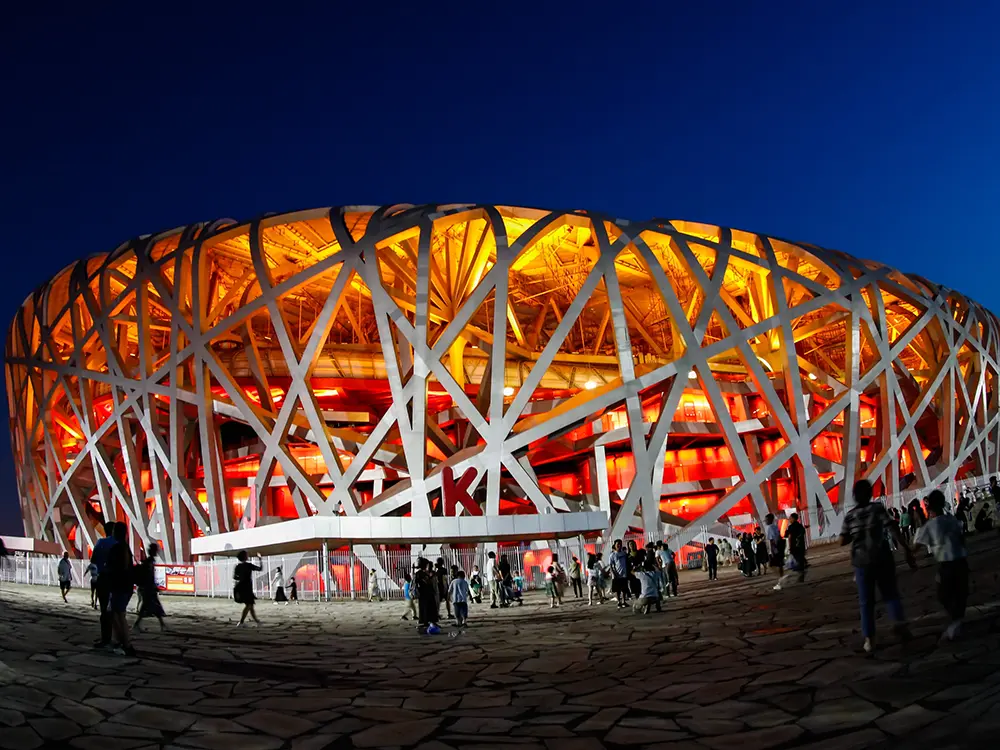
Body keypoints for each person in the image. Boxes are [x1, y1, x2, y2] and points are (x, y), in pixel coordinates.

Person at [841, 479, 915, 654]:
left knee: (866, 602)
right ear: (870, 494)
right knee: (890, 594)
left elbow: (843, 540)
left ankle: (869, 639)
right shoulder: (877, 508)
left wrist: (856, 533)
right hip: (882, 557)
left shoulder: (850, 516)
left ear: (854, 496)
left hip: (861, 562)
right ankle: (899, 624)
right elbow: (892, 527)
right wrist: (905, 548)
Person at [915, 490, 968, 641]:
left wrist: (909, 553)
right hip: (961, 561)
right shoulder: (951, 519)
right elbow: (961, 536)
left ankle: (955, 622)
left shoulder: (931, 525)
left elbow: (917, 545)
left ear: (929, 507)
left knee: (943, 594)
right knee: (960, 593)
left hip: (946, 565)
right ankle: (957, 620)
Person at [105, 523, 136, 656]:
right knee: (117, 614)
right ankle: (122, 642)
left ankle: (124, 643)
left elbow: (112, 568)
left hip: (118, 586)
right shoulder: (126, 548)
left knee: (115, 614)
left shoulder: (117, 549)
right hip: (126, 586)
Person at [90, 520, 117, 648]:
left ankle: (105, 638)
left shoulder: (101, 543)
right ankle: (119, 638)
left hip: (103, 579)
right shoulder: (118, 543)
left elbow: (93, 559)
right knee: (117, 611)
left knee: (104, 610)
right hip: (116, 580)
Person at [133, 542, 166, 632]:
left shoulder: (148, 561)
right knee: (149, 606)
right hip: (148, 588)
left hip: (149, 588)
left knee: (154, 606)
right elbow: (149, 576)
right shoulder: (149, 562)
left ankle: (162, 625)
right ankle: (137, 624)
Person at [233, 550, 262, 627]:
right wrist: (260, 559)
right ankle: (241, 622)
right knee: (249, 605)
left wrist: (241, 577)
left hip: (241, 586)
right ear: (245, 557)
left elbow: (235, 577)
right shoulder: (248, 565)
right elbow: (260, 568)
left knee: (250, 605)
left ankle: (257, 621)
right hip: (247, 587)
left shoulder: (237, 566)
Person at [415, 558, 439, 632]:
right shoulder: (421, 574)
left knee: (427, 607)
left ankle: (428, 621)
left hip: (425, 593)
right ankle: (428, 621)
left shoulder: (420, 573)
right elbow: (426, 582)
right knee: (427, 608)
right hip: (425, 593)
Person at [784, 512, 808, 583]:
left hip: (794, 546)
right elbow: (803, 533)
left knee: (797, 561)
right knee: (799, 560)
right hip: (800, 546)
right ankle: (801, 575)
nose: (789, 519)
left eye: (790, 518)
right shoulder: (800, 526)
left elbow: (785, 535)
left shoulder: (791, 527)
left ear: (794, 519)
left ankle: (801, 575)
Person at [765, 514, 786, 590]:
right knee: (780, 564)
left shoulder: (770, 528)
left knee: (770, 566)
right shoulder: (775, 526)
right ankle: (780, 582)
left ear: (770, 519)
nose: (765, 521)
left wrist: (771, 551)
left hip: (774, 549)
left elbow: (771, 541)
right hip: (779, 548)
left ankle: (781, 578)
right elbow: (779, 537)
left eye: (766, 520)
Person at [608, 539, 629, 609]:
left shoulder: (624, 554)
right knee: (617, 590)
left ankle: (623, 601)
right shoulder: (612, 555)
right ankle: (619, 602)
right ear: (615, 545)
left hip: (624, 574)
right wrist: (613, 573)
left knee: (624, 589)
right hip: (617, 575)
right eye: (617, 544)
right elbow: (611, 565)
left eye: (620, 544)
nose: (619, 545)